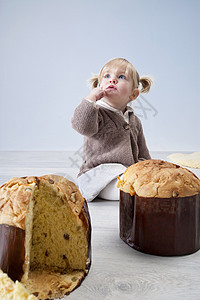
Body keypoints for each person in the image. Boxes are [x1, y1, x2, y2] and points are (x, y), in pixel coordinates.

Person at [71, 57, 152, 201]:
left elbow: (143, 151)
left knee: (146, 180)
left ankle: (139, 187)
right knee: (128, 189)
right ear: (99, 85)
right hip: (98, 175)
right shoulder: (97, 113)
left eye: (121, 77)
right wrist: (90, 100)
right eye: (107, 76)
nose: (112, 80)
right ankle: (133, 191)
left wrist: (147, 168)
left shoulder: (134, 120)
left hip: (126, 172)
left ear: (133, 94)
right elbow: (81, 126)